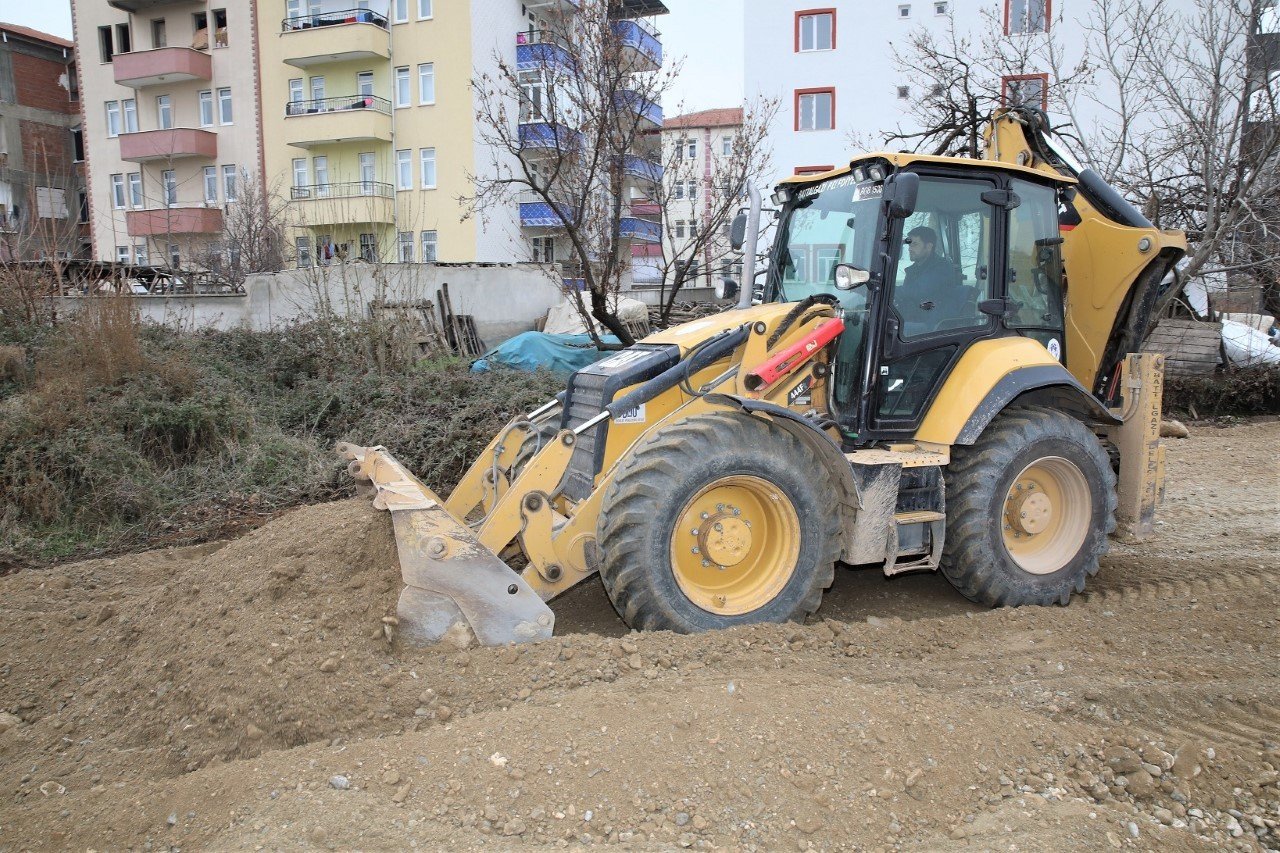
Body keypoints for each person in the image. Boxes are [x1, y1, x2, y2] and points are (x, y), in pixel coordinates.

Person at [896, 225, 965, 334]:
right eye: (909, 244)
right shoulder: (914, 270)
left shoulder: (942, 267)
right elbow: (906, 297)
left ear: (928, 247)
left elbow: (917, 291)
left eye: (915, 244)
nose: (910, 248)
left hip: (934, 323)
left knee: (892, 331)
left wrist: (889, 291)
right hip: (916, 317)